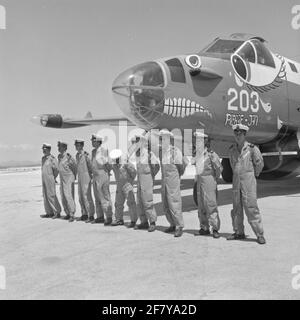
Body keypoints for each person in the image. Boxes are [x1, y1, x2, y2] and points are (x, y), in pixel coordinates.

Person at [227, 124, 266, 245]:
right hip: (236, 181)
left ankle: (259, 234)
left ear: (245, 135)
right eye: (236, 134)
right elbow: (233, 165)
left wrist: (252, 175)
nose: (238, 136)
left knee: (251, 207)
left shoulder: (252, 148)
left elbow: (259, 164)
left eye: (240, 134)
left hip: (248, 181)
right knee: (236, 208)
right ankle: (239, 232)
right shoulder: (232, 150)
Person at [192, 131, 222, 238]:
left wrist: (214, 179)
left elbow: (218, 169)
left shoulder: (211, 154)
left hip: (209, 180)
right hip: (199, 180)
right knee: (201, 205)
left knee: (211, 205)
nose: (197, 142)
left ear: (205, 141)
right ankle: (204, 227)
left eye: (200, 140)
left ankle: (215, 228)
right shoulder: (197, 154)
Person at [159, 130, 187, 237]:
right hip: (164, 180)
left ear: (169, 139)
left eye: (164, 138)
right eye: (161, 138)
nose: (162, 140)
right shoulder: (162, 152)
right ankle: (172, 224)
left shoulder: (175, 151)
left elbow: (182, 166)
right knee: (166, 202)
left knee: (174, 203)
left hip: (173, 181)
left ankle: (179, 226)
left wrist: (177, 177)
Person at [134, 134, 160, 232]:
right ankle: (144, 222)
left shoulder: (149, 153)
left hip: (147, 178)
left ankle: (152, 222)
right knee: (140, 201)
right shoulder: (138, 153)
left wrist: (151, 176)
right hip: (140, 179)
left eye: (138, 141)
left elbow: (156, 166)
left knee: (148, 201)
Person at [110, 149, 137, 228]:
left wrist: (130, 182)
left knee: (131, 203)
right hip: (119, 185)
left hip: (127, 185)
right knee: (118, 203)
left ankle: (133, 220)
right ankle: (119, 219)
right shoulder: (114, 165)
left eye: (116, 158)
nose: (115, 160)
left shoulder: (126, 163)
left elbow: (133, 172)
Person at [90, 134, 113, 225]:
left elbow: (109, 164)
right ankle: (100, 216)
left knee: (105, 196)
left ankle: (109, 216)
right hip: (95, 176)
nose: (92, 142)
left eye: (93, 140)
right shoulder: (93, 152)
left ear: (98, 141)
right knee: (97, 197)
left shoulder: (103, 150)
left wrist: (106, 173)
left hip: (103, 174)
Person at [75, 139, 95, 222]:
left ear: (82, 146)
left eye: (78, 145)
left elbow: (91, 166)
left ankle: (91, 215)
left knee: (87, 196)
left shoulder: (86, 155)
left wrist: (91, 176)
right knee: (81, 196)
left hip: (86, 177)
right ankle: (84, 213)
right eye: (76, 145)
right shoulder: (77, 155)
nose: (77, 147)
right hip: (80, 177)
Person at [40, 143, 62, 218]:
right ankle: (49, 212)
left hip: (50, 179)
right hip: (44, 179)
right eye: (43, 149)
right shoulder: (43, 159)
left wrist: (53, 177)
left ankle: (57, 212)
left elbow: (56, 169)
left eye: (45, 149)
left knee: (51, 195)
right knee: (45, 196)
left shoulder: (52, 159)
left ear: (49, 150)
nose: (44, 151)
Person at [57, 141, 77, 222]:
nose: (59, 148)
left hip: (69, 178)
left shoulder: (69, 157)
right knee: (63, 196)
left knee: (69, 196)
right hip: (62, 179)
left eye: (61, 147)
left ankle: (72, 214)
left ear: (65, 148)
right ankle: (67, 213)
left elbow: (74, 167)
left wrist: (74, 176)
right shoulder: (59, 157)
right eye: (58, 147)